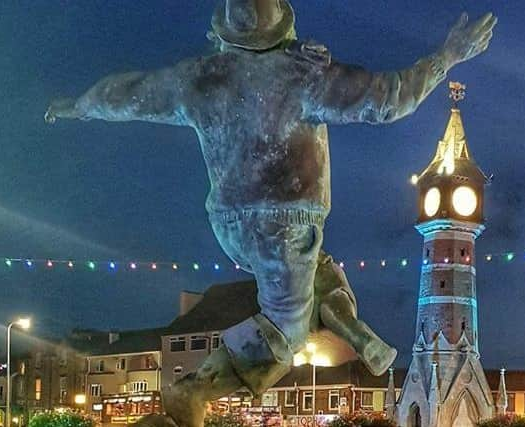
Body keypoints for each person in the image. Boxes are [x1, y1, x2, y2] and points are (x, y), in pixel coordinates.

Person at [45, 2, 496, 426]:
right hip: (285, 225)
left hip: (231, 225)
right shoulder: (303, 76)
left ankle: (352, 328)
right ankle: (196, 390)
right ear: (283, 25)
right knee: (287, 330)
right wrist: (447, 56)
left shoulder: (199, 78)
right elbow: (390, 99)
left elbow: (125, 94)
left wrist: (79, 107)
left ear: (222, 32)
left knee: (322, 273)